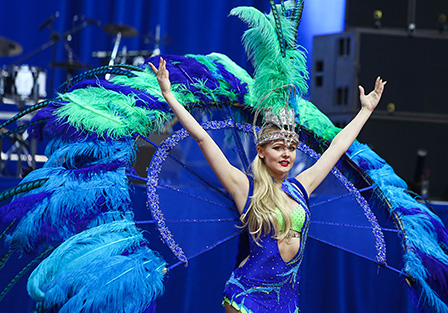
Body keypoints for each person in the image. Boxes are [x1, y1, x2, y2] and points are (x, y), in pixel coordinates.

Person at [149, 57, 386, 313]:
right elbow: (203, 139)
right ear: (261, 151)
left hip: (286, 299)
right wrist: (169, 95)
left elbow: (338, 147)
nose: (287, 154)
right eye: (278, 148)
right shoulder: (245, 188)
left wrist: (366, 111)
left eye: (292, 148)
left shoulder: (300, 187)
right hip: (246, 297)